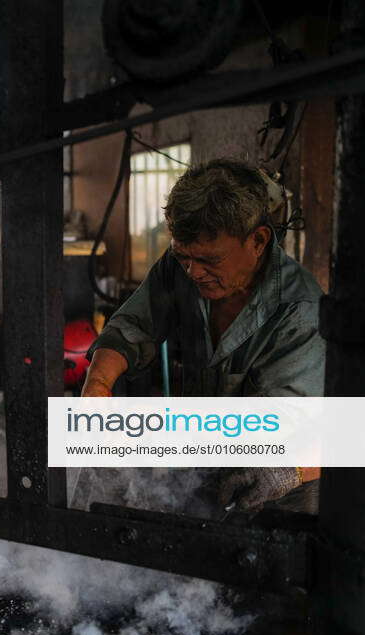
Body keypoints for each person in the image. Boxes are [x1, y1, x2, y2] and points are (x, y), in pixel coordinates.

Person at [79, 158, 324, 512]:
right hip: (206, 467)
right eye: (184, 257)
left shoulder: (298, 311)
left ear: (257, 240)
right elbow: (133, 328)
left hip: (280, 480)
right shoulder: (181, 265)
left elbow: (278, 426)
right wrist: (97, 386)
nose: (193, 272)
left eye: (209, 260)